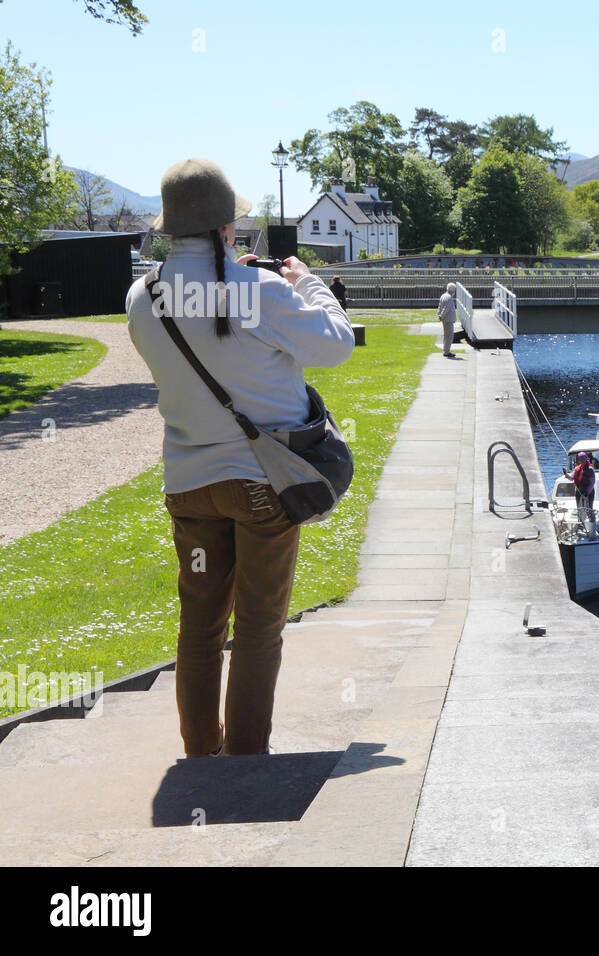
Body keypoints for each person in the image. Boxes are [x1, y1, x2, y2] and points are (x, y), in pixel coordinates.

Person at [124, 158, 354, 758]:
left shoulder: (141, 297)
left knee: (200, 629)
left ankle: (202, 758)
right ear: (227, 227)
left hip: (189, 485)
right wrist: (305, 283)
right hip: (262, 486)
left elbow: (198, 325)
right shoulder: (262, 291)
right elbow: (336, 345)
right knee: (258, 629)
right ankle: (246, 762)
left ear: (171, 227)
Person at [565, 451, 596, 519]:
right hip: (579, 491)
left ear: (585, 458)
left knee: (589, 508)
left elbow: (592, 482)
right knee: (579, 509)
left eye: (582, 458)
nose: (581, 460)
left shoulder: (590, 469)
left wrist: (586, 492)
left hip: (588, 492)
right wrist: (566, 475)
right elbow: (572, 478)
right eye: (579, 458)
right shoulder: (577, 468)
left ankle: (592, 522)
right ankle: (580, 523)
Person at [436, 282, 456, 357]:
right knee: (449, 336)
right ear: (452, 290)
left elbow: (440, 306)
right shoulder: (449, 298)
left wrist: (439, 315)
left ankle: (445, 350)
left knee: (446, 335)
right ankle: (446, 351)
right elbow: (446, 309)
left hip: (445, 319)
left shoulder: (443, 296)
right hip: (448, 319)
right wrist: (441, 316)